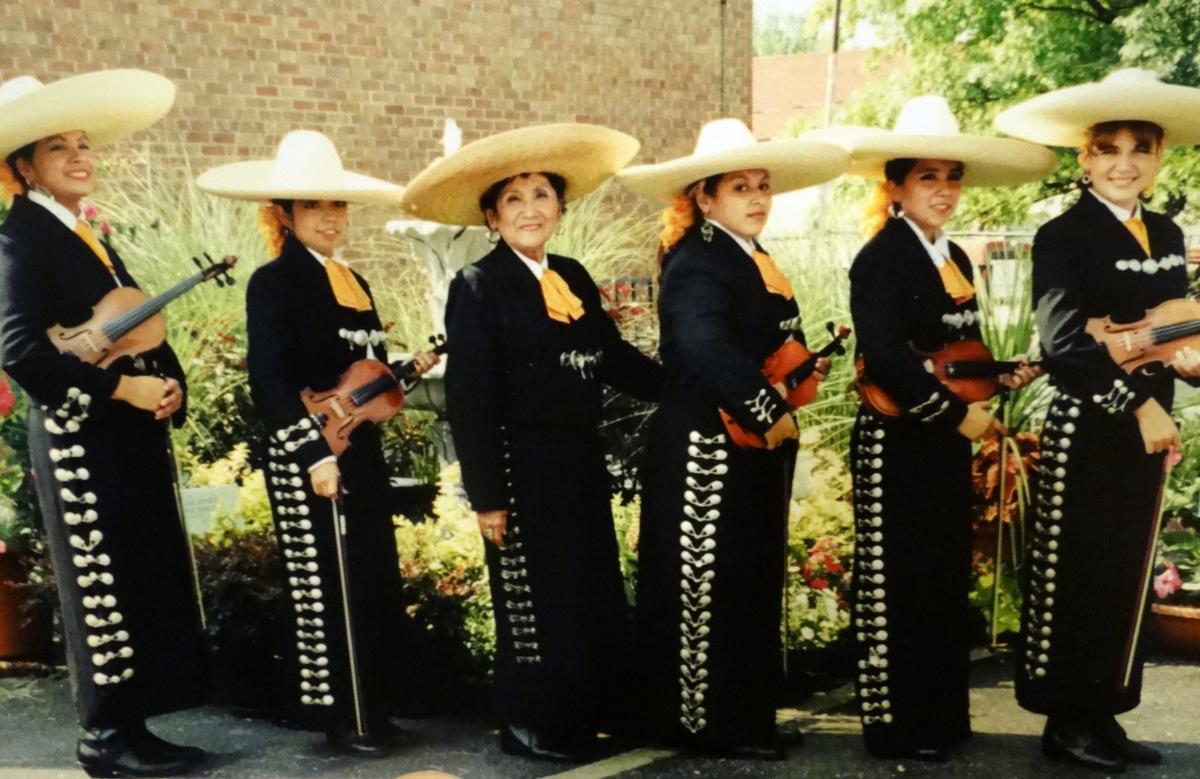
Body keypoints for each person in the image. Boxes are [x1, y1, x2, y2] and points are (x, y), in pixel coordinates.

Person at [400, 123, 663, 761]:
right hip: (520, 472)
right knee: (533, 600)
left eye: (541, 195)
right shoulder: (478, 287)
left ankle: (588, 712)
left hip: (577, 462)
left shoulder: (570, 274)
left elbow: (610, 356)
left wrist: (685, 387)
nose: (529, 209)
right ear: (492, 215)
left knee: (585, 591)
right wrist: (487, 495)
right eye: (513, 199)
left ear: (560, 208)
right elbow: (469, 401)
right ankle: (529, 724)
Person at [823, 96, 1053, 762]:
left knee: (940, 579)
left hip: (941, 443)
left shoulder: (953, 255)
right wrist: (959, 415)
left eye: (952, 177)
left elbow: (961, 353)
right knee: (898, 583)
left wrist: (999, 376)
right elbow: (889, 358)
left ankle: (941, 716)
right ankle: (895, 727)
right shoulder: (879, 259)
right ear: (895, 186)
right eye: (928, 177)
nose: (944, 190)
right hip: (896, 439)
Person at [196, 130, 438, 755]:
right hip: (309, 451)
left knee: (372, 577)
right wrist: (314, 454)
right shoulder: (273, 282)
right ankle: (340, 717)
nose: (330, 218)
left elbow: (367, 374)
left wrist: (401, 373)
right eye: (314, 207)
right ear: (284, 214)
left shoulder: (353, 279)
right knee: (325, 583)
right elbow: (272, 383)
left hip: (360, 447)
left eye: (337, 206)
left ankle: (375, 706)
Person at [0, 70, 210, 777]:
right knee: (101, 588)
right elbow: (20, 351)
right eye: (59, 148)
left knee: (138, 574)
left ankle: (136, 725)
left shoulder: (85, 231)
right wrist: (119, 392)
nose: (80, 157)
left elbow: (137, 322)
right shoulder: (20, 236)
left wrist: (169, 384)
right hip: (78, 439)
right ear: (24, 165)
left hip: (123, 437)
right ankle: (105, 740)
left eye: (84, 144)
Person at [617, 118, 848, 759]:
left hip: (748, 442)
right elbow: (701, 347)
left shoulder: (754, 259)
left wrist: (797, 369)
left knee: (747, 582)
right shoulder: (698, 260)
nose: (756, 198)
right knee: (704, 591)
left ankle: (743, 717)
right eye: (740, 186)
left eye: (763, 185)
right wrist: (764, 405)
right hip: (705, 450)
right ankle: (704, 724)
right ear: (705, 197)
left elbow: (756, 344)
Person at [995, 68, 1200, 771]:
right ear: (1084, 158)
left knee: (1127, 571)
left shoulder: (1168, 230)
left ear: (1159, 157)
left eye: (1140, 147)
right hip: (1093, 418)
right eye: (1107, 147)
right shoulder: (1063, 235)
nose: (1124, 162)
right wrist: (1136, 400)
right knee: (1077, 570)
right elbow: (1061, 345)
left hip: (1152, 418)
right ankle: (1066, 721)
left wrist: (1185, 360)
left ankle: (1106, 713)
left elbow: (1172, 330)